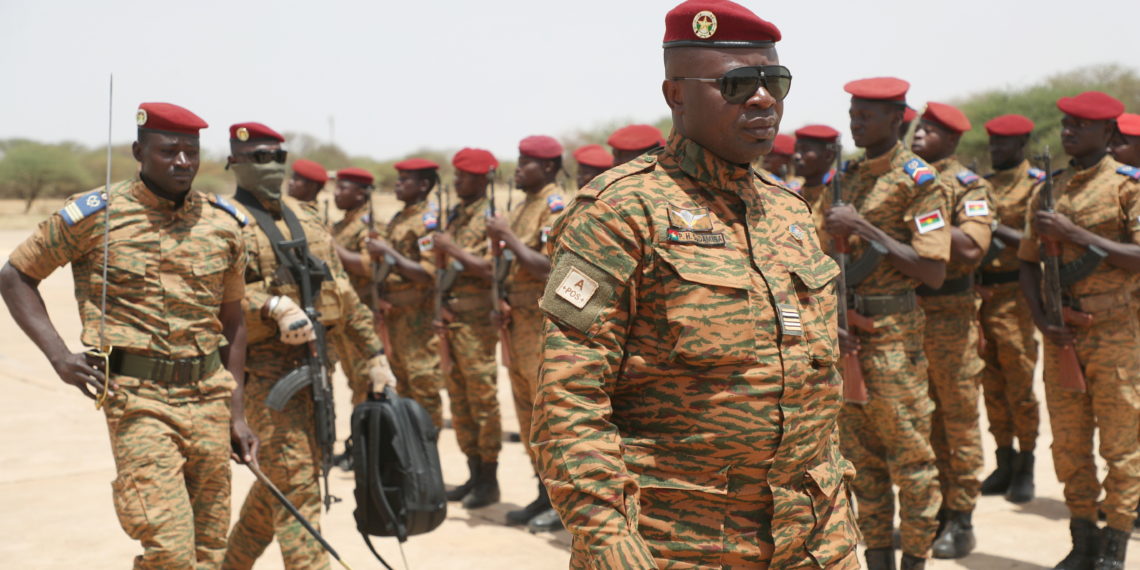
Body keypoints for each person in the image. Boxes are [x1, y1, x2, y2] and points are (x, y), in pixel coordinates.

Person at [532, 1, 859, 566]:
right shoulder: (622, 211)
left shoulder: (791, 212)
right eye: (736, 84)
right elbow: (569, 396)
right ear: (675, 95)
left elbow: (813, 385)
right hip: (678, 545)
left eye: (774, 81)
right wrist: (607, 539)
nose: (762, 99)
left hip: (813, 542)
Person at [0, 102, 257, 569]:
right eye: (169, 151)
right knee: (171, 553)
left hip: (210, 399)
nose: (182, 162)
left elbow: (234, 323)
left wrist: (237, 414)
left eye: (191, 152)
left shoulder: (223, 224)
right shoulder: (95, 214)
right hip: (139, 400)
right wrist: (59, 357)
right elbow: (16, 275)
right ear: (140, 151)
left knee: (211, 551)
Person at [221, 122, 389, 570]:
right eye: (258, 158)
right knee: (297, 488)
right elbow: (213, 295)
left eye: (277, 157)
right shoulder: (221, 220)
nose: (271, 166)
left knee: (280, 485)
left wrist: (374, 354)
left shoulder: (307, 216)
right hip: (264, 379)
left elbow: (343, 292)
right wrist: (269, 305)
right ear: (234, 163)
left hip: (316, 371)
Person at [826, 77, 951, 569]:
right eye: (853, 113)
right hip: (847, 336)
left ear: (898, 118)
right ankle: (876, 557)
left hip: (894, 339)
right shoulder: (848, 176)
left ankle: (915, 559)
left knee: (913, 463)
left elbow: (933, 270)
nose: (856, 123)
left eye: (866, 115)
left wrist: (863, 228)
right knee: (862, 464)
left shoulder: (919, 181)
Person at [1018, 91, 1140, 570]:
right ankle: (1083, 539)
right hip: (1061, 332)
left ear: (1108, 133)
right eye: (1065, 124)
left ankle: (1115, 544)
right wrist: (1041, 319)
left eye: (1078, 126)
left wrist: (1076, 235)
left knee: (1120, 444)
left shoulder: (1129, 187)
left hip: (1114, 333)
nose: (1067, 132)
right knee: (1069, 444)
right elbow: (1028, 264)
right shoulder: (1048, 189)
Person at [910, 102, 994, 559]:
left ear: (954, 140)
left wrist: (922, 220)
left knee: (958, 420)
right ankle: (933, 511)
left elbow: (972, 247)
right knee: (920, 421)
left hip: (951, 316)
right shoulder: (906, 179)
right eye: (918, 128)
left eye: (931, 130)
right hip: (905, 317)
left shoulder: (968, 185)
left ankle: (961, 518)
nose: (919, 135)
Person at [486, 136, 566, 531]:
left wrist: (509, 236)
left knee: (549, 417)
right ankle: (541, 493)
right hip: (516, 322)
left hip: (540, 324)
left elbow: (551, 269)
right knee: (527, 416)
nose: (517, 170)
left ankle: (562, 503)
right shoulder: (522, 207)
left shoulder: (554, 207)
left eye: (525, 163)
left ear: (549, 168)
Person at [430, 148, 503, 509]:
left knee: (482, 399)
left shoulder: (489, 218)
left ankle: (489, 480)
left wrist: (451, 248)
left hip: (476, 323)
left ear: (481, 179)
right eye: (455, 175)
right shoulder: (457, 215)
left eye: (463, 176)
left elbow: (490, 268)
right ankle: (473, 473)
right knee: (459, 400)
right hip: (452, 320)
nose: (457, 182)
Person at [976, 114, 1042, 504]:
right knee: (992, 385)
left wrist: (993, 225)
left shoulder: (1036, 186)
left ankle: (1026, 465)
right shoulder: (981, 184)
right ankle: (1003, 460)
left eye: (1004, 144)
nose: (996, 150)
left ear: (1022, 144)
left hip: (1016, 296)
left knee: (1020, 384)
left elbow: (1033, 241)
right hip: (982, 296)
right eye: (993, 144)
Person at [362, 159, 445, 428]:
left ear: (423, 185)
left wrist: (388, 253)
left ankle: (428, 451)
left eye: (404, 180)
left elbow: (427, 273)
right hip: (396, 317)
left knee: (423, 388)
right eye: (397, 179)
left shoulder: (426, 221)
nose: (397, 185)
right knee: (403, 388)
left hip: (418, 318)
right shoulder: (401, 218)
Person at [329, 167, 380, 407]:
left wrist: (330, 247)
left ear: (360, 193)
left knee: (366, 380)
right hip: (340, 313)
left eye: (342, 188)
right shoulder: (340, 226)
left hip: (363, 312)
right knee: (354, 379)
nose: (336, 193)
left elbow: (368, 266)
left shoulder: (368, 225)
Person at [792, 123, 840, 245]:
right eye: (796, 150)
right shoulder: (792, 196)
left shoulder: (838, 196)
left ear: (829, 155)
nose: (797, 156)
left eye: (805, 150)